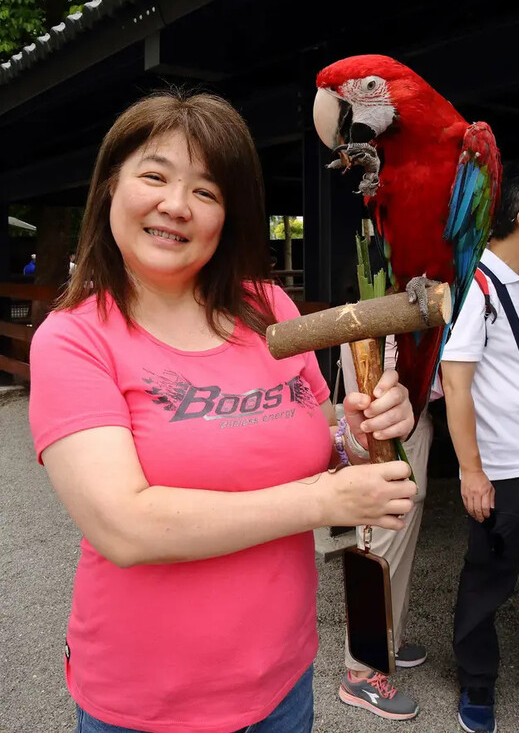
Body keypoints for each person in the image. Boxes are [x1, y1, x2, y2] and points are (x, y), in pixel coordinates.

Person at [28, 90, 418, 733]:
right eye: (154, 175)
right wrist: (323, 502)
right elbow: (126, 526)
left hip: (283, 682)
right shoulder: (75, 338)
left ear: (227, 215)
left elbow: (319, 441)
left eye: (206, 192)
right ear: (108, 190)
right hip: (150, 704)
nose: (176, 205)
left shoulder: (267, 308)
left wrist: (356, 433)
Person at [441, 159, 519, 733]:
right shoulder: (477, 287)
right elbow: (456, 381)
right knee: (490, 575)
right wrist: (471, 471)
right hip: (509, 465)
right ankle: (478, 684)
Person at [338, 336, 441, 720]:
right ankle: (360, 671)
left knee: (399, 545)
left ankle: (386, 643)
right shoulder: (377, 306)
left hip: (410, 425)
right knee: (380, 549)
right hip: (386, 435)